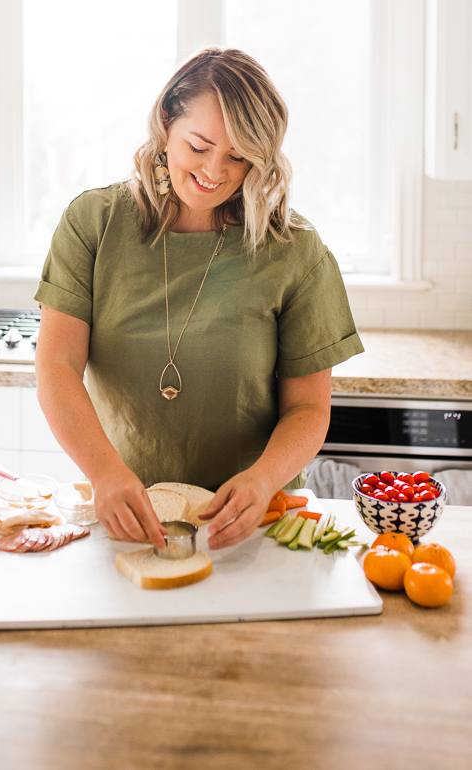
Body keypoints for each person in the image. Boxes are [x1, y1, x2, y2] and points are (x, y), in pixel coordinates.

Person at [34, 48, 363, 551]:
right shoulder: (94, 223)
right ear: (166, 121)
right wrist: (103, 473)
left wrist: (261, 481)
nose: (215, 171)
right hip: (129, 511)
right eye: (200, 145)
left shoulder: (294, 251)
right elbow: (56, 365)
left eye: (239, 156)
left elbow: (309, 408)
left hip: (256, 519)